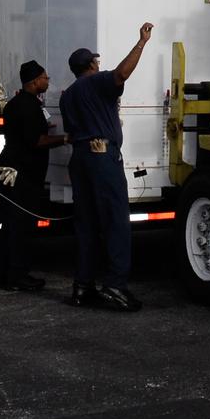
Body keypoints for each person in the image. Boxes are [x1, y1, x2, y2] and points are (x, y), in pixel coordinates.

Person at [60, 22, 154, 312]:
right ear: (91, 64)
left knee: (86, 224)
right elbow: (122, 74)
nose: (99, 63)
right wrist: (141, 43)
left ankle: (83, 285)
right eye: (97, 60)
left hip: (80, 158)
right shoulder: (97, 81)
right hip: (102, 157)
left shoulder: (67, 95)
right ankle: (115, 286)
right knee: (115, 222)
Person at [0, 59, 63, 292]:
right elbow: (37, 141)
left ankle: (4, 271)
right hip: (23, 175)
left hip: (12, 170)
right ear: (34, 82)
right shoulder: (29, 106)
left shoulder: (16, 103)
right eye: (45, 78)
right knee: (21, 225)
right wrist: (65, 138)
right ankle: (17, 275)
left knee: (10, 223)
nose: (47, 81)